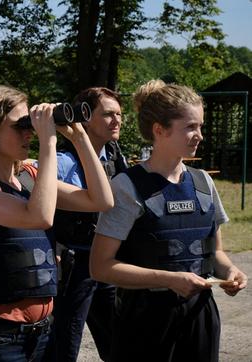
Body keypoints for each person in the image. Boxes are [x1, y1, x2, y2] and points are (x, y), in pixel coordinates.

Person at [0, 85, 113, 361]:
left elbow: (101, 200)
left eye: (30, 125)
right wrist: (47, 141)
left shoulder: (27, 176)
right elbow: (38, 217)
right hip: (2, 338)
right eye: (20, 126)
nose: (29, 133)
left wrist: (80, 139)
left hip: (44, 332)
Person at [89, 79, 248, 361]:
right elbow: (100, 267)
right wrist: (169, 279)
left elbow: (217, 252)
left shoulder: (203, 183)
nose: (199, 134)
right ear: (159, 130)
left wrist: (230, 272)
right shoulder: (127, 186)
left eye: (200, 126)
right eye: (190, 127)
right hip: (145, 320)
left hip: (199, 316)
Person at [50, 87, 128, 361]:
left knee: (119, 343)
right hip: (75, 267)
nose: (116, 120)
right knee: (64, 346)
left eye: (119, 114)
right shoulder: (61, 162)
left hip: (107, 262)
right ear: (84, 117)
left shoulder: (116, 157)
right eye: (107, 114)